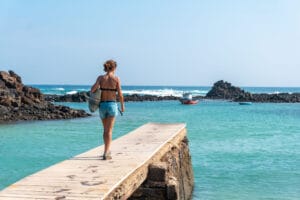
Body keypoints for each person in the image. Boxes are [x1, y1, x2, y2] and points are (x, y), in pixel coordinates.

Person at [91, 60, 125, 160]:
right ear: (114, 68)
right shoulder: (116, 79)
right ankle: (106, 152)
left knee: (105, 130)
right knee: (109, 130)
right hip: (112, 105)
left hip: (102, 106)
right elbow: (120, 94)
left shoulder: (101, 78)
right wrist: (122, 106)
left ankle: (106, 150)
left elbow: (92, 89)